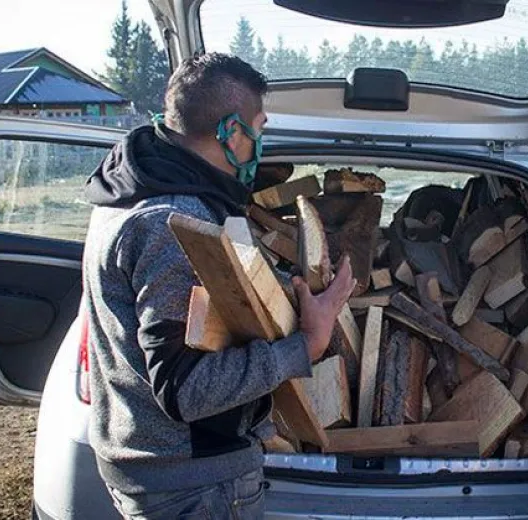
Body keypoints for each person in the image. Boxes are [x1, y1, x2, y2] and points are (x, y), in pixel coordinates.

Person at [81, 53, 354, 520]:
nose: (260, 143)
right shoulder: (173, 225)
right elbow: (184, 390)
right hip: (191, 484)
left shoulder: (128, 190)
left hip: (157, 466)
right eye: (259, 128)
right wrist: (307, 343)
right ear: (230, 132)